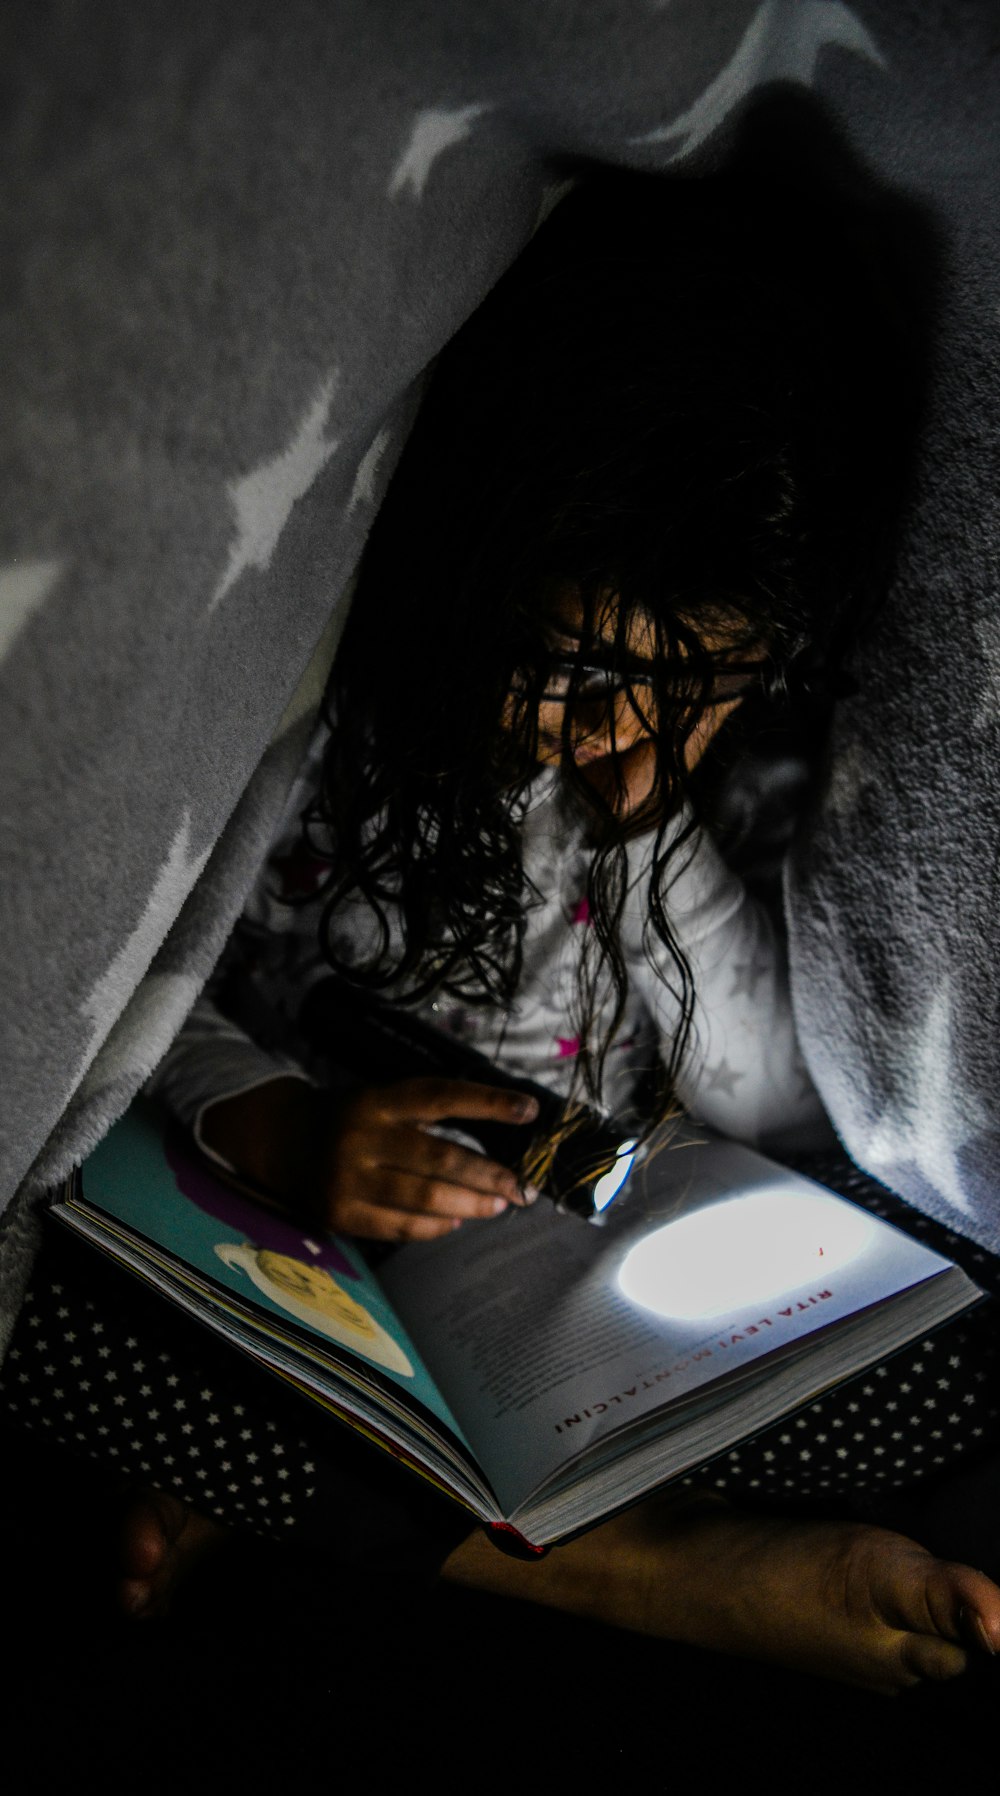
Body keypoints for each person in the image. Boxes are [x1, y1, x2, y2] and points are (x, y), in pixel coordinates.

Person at [5, 171, 1000, 1691]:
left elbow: (765, 1101)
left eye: (703, 708)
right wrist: (276, 1124)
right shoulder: (323, 745)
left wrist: (665, 844)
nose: (630, 758)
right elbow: (149, 998)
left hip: (580, 1259)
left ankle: (372, 1509)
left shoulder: (648, 807)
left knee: (948, 1336)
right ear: (485, 572)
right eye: (595, 692)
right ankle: (632, 1572)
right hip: (320, 1236)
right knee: (58, 1318)